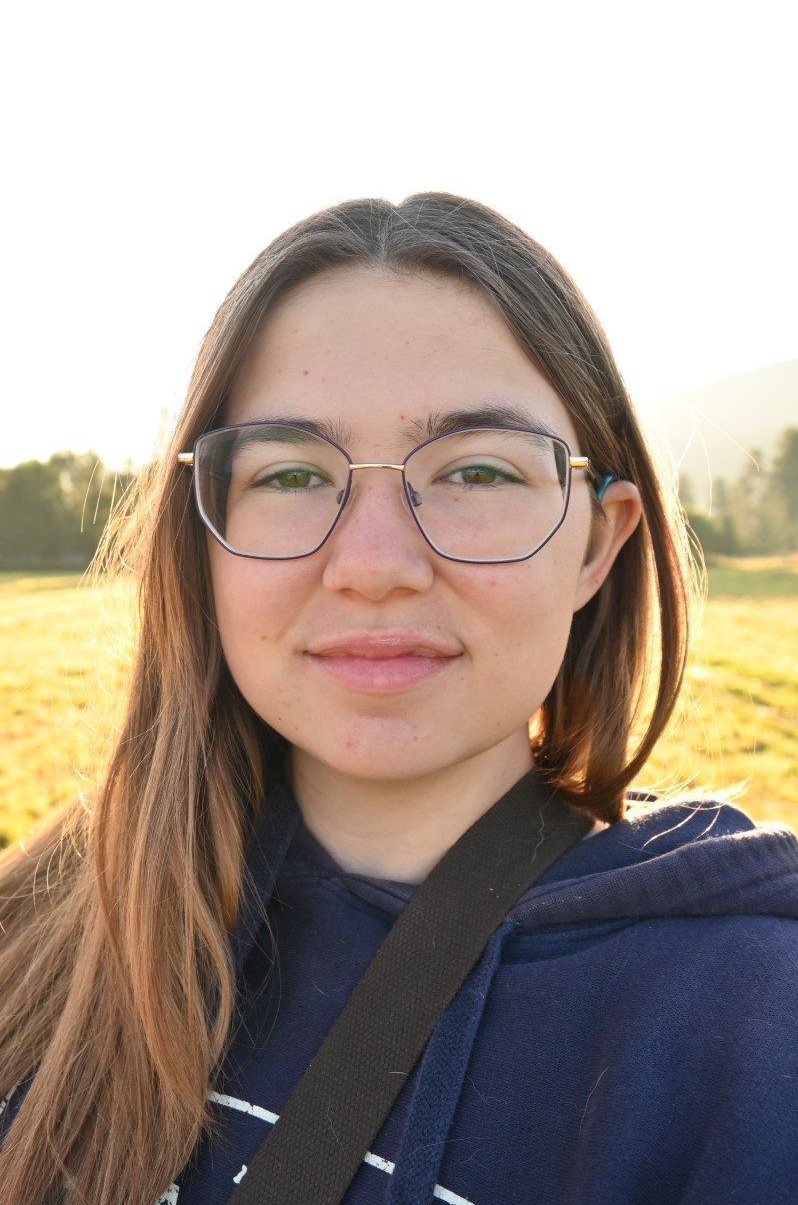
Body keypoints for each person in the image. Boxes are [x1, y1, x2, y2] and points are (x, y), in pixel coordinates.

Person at [1, 195, 797, 1205]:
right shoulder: (51, 916)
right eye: (292, 471)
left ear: (598, 539)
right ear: (203, 535)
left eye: (475, 468)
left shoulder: (748, 1028)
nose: (373, 565)